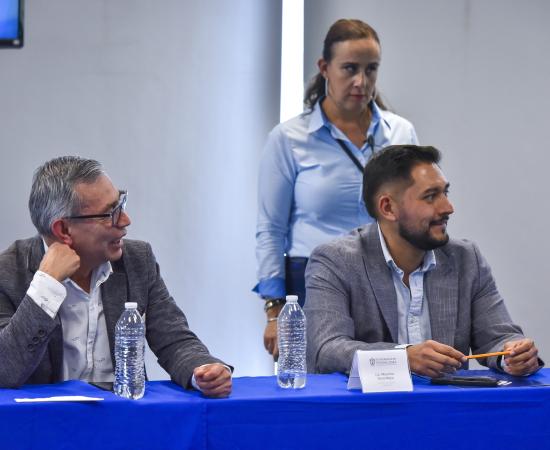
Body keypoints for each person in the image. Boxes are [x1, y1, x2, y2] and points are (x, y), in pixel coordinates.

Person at [0, 156, 232, 397]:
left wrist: (203, 370)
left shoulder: (137, 260)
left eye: (121, 204)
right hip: (47, 417)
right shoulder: (8, 271)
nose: (125, 220)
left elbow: (174, 338)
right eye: (109, 213)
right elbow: (5, 370)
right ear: (64, 230)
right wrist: (46, 286)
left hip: (123, 412)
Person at [255, 19, 419, 359]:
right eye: (349, 68)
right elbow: (271, 228)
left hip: (386, 276)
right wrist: (274, 310)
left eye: (371, 69)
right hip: (313, 278)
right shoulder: (289, 139)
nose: (361, 81)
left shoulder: (400, 133)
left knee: (387, 377)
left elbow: (415, 213)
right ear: (324, 68)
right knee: (317, 380)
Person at [305, 145, 542, 377]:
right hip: (371, 403)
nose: (448, 207)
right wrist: (403, 357)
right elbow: (325, 350)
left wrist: (513, 354)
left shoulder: (466, 258)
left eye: (445, 193)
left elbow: (499, 337)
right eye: (430, 197)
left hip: (446, 403)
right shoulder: (336, 261)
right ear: (388, 208)